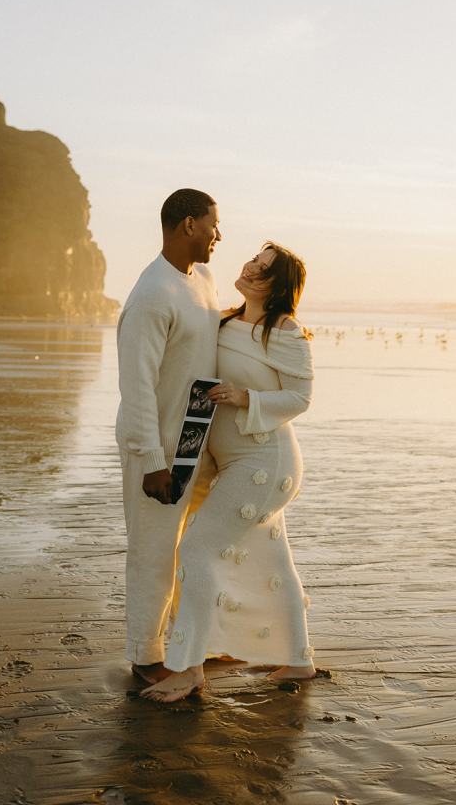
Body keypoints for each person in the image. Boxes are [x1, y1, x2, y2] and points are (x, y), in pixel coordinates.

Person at [141, 241, 315, 703]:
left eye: (263, 269)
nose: (250, 268)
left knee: (196, 549)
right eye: (253, 261)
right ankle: (298, 659)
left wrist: (246, 398)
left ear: (278, 287)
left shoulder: (283, 330)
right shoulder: (226, 320)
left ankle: (186, 667)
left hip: (265, 461)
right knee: (272, 559)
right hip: (232, 461)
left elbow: (300, 398)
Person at [116, 188, 221, 684]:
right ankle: (145, 657)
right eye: (212, 225)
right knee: (154, 551)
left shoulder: (202, 277)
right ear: (188, 226)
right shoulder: (152, 294)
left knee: (193, 548)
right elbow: (135, 384)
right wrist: (151, 459)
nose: (218, 235)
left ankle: (185, 641)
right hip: (156, 446)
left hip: (195, 438)